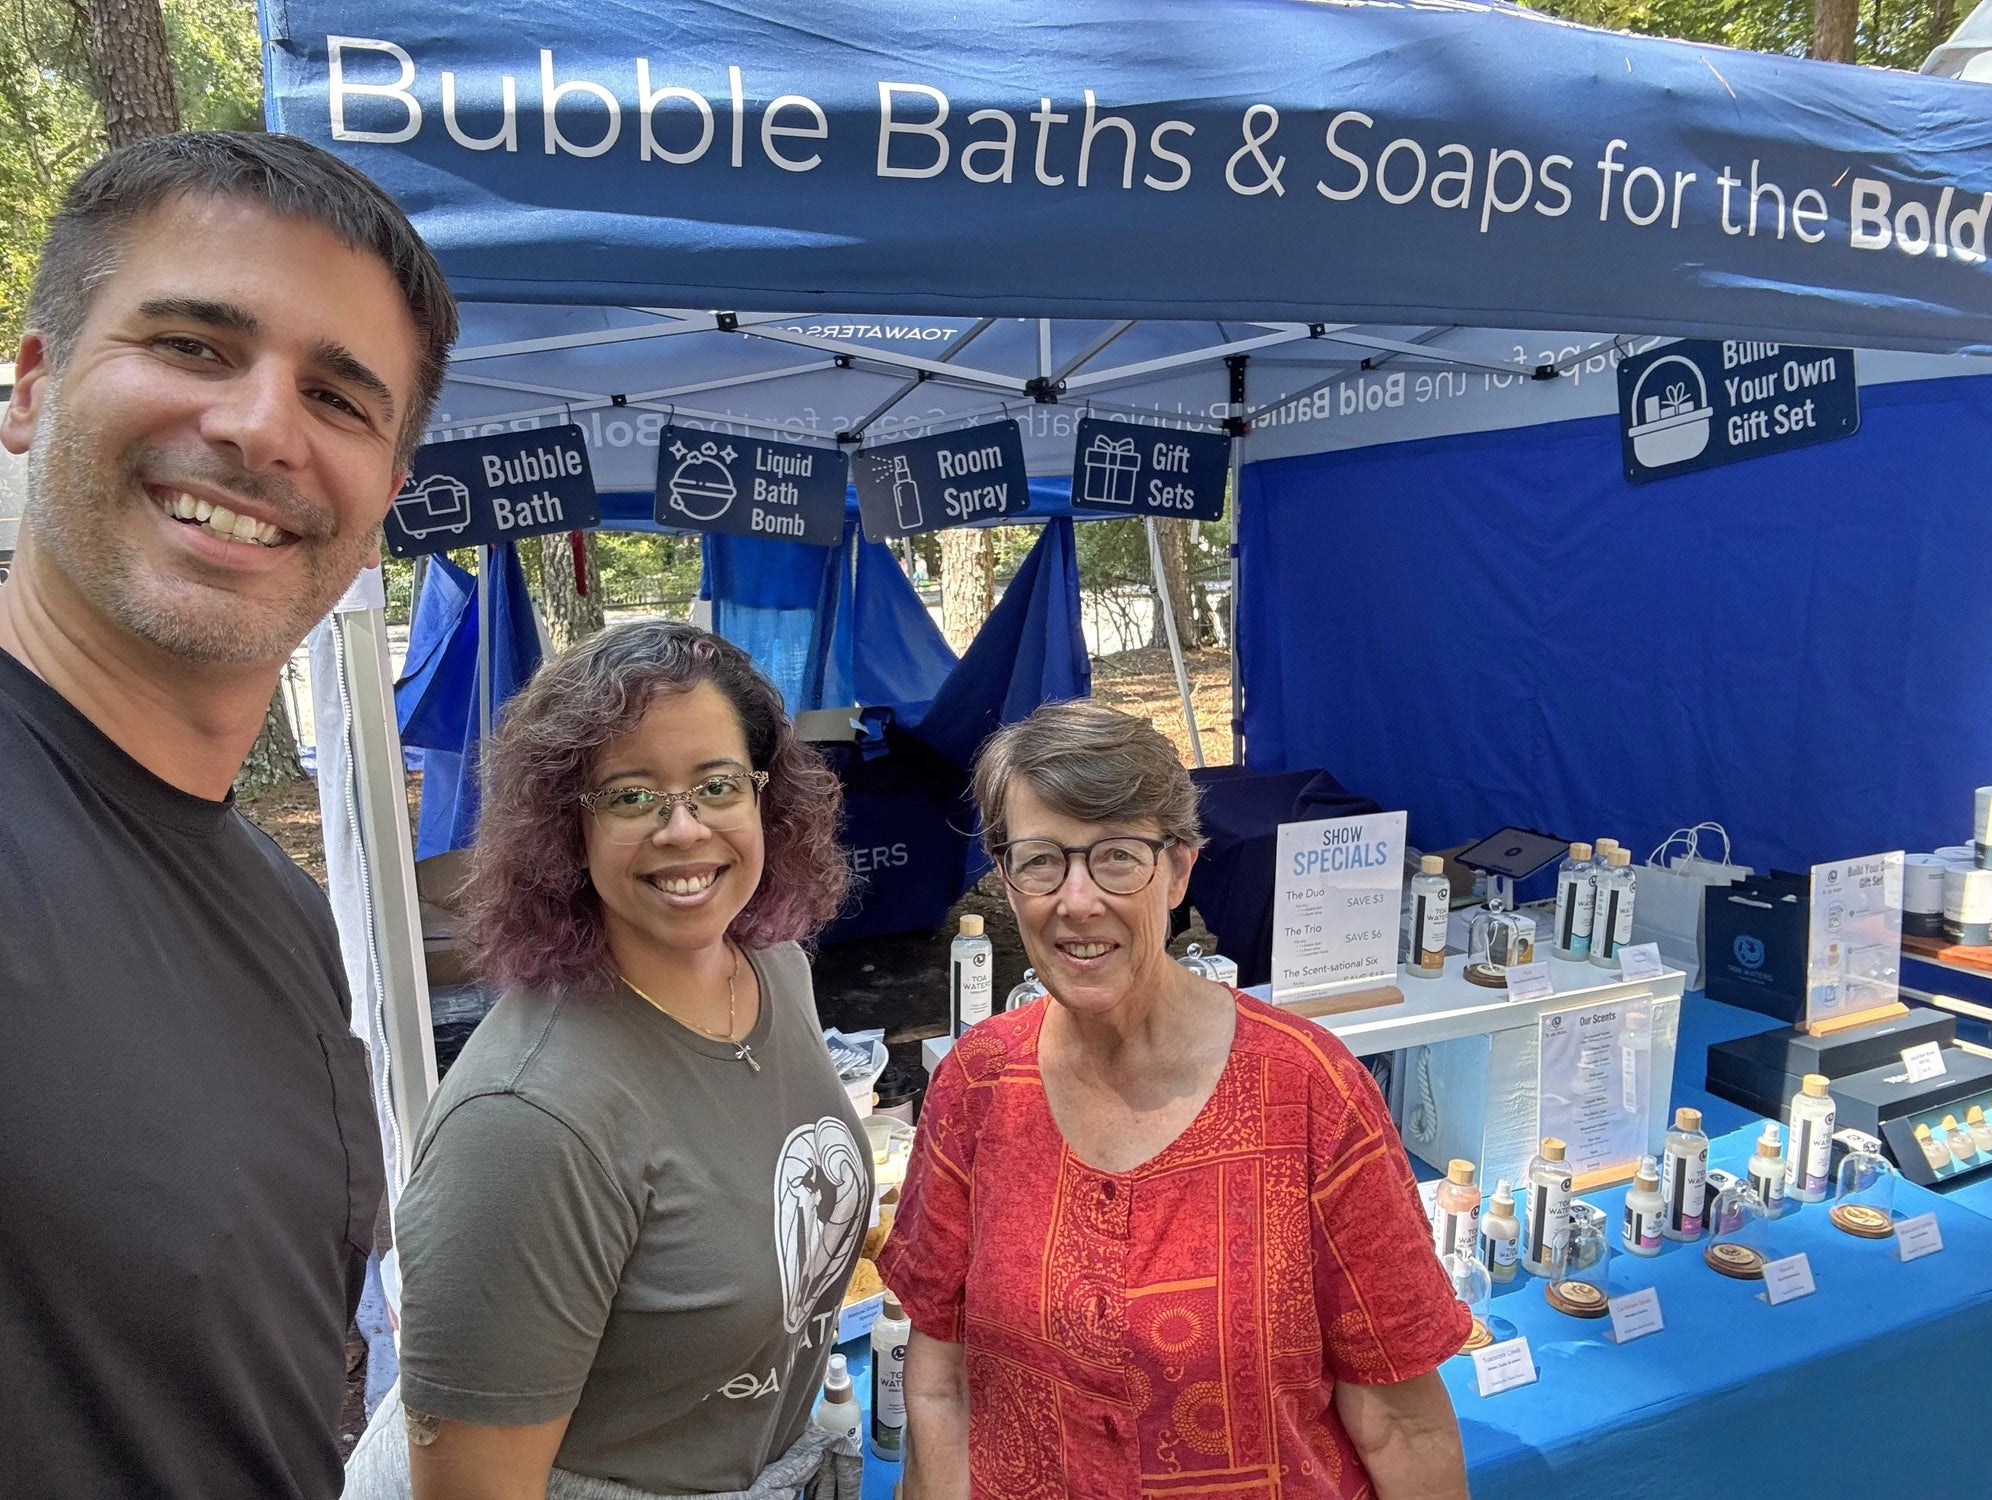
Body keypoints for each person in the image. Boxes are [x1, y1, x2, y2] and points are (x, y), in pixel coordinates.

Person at [0, 132, 456, 1499]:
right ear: (32, 387)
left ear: (378, 510)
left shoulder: (285, 914)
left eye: (338, 396)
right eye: (196, 344)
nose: (263, 427)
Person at [879, 701, 1471, 1500]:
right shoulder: (977, 1085)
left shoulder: (1309, 1092)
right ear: (1005, 876)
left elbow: (1402, 1420)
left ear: (1181, 869)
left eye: (1118, 857)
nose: (1077, 900)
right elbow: (940, 1381)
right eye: (1042, 859)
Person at [343, 621, 868, 1500]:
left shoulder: (774, 967)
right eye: (630, 796)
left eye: (717, 784)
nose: (682, 828)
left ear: (765, 799)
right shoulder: (524, 1124)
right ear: (564, 831)